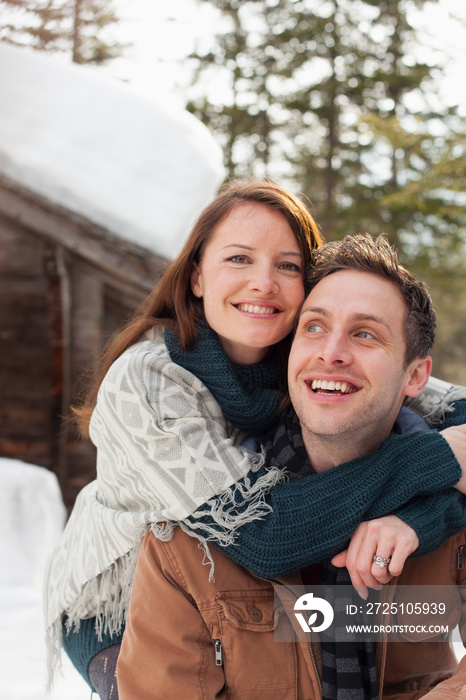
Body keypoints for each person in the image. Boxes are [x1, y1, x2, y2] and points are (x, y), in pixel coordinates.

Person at [43, 179, 466, 699]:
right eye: (239, 259)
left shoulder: (304, 345)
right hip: (123, 607)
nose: (263, 283)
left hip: (240, 592)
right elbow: (266, 535)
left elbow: (429, 397)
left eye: (287, 266)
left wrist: (418, 519)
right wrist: (437, 461)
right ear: (196, 276)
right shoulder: (149, 383)